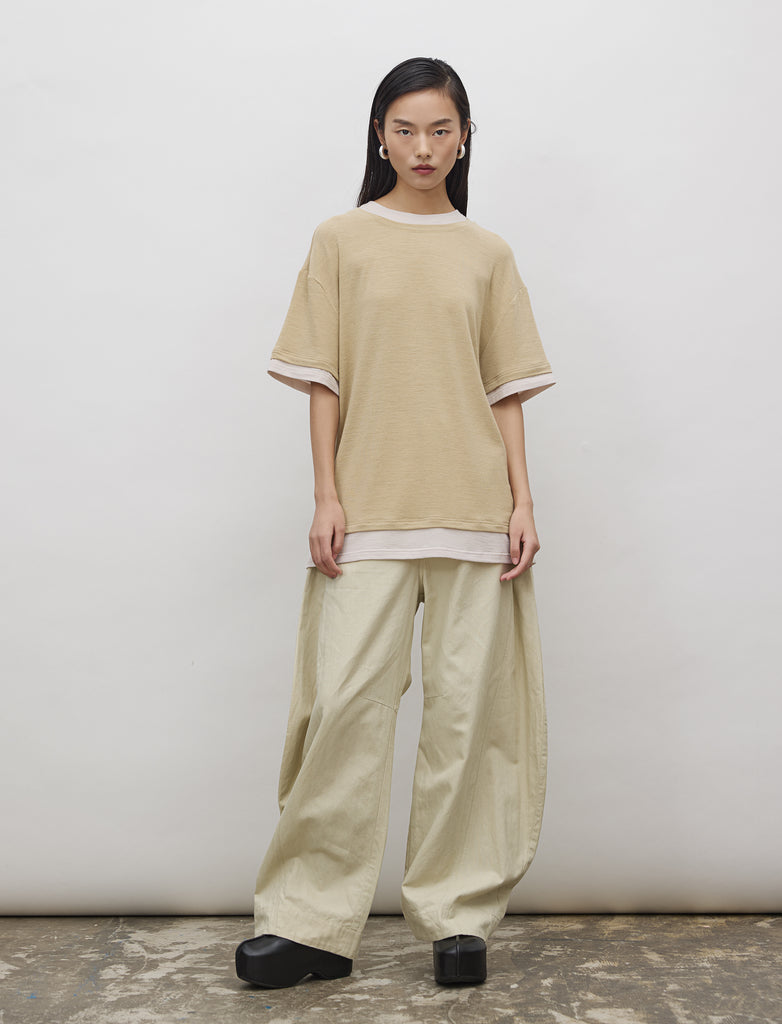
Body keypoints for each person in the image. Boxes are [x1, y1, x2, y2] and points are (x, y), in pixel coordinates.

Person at [235, 55, 557, 990]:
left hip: (474, 514)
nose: (424, 147)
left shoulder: (487, 253)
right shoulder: (341, 240)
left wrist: (522, 502)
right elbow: (323, 380)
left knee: (468, 721)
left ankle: (458, 920)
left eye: (441, 130)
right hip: (369, 512)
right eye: (406, 129)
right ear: (379, 136)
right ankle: (308, 924)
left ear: (465, 139)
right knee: (341, 708)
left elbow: (505, 391)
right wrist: (327, 495)